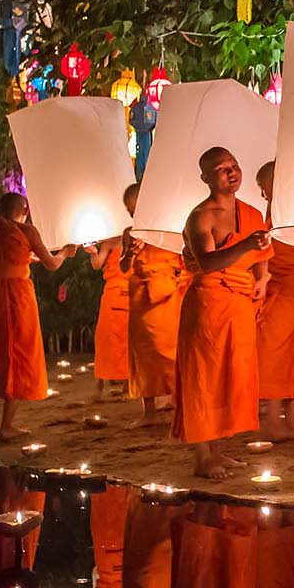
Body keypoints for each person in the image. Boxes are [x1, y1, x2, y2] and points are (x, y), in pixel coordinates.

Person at [173, 146, 272, 479]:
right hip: (208, 305)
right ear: (205, 178)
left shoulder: (252, 213)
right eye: (221, 168)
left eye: (234, 165)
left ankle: (217, 451)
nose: (231, 172)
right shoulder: (201, 215)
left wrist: (262, 279)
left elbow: (262, 253)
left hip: (240, 304)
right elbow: (208, 263)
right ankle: (202, 457)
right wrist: (245, 246)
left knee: (231, 377)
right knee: (204, 379)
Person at [0, 193, 76, 439]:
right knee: (19, 354)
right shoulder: (27, 231)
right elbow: (51, 264)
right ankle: (5, 426)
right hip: (18, 297)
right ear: (23, 209)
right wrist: (65, 254)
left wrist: (14, 260)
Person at [253, 161, 294, 440]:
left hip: (289, 292)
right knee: (284, 355)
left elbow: (265, 256)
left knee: (273, 354)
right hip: (290, 291)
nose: (262, 195)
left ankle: (276, 421)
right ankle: (289, 421)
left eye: (263, 187)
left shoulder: (292, 216)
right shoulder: (284, 214)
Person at [119, 183, 185, 427]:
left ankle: (179, 403)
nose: (135, 216)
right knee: (143, 354)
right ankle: (149, 411)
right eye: (131, 212)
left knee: (171, 351)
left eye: (138, 210)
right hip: (140, 297)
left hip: (167, 295)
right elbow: (124, 268)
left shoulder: (168, 230)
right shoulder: (130, 233)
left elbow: (185, 261)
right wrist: (130, 255)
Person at [89, 224, 130, 400]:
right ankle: (99, 384)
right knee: (105, 337)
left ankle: (128, 386)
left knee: (129, 339)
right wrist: (92, 251)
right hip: (113, 292)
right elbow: (97, 264)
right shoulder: (109, 242)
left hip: (131, 291)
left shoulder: (136, 238)